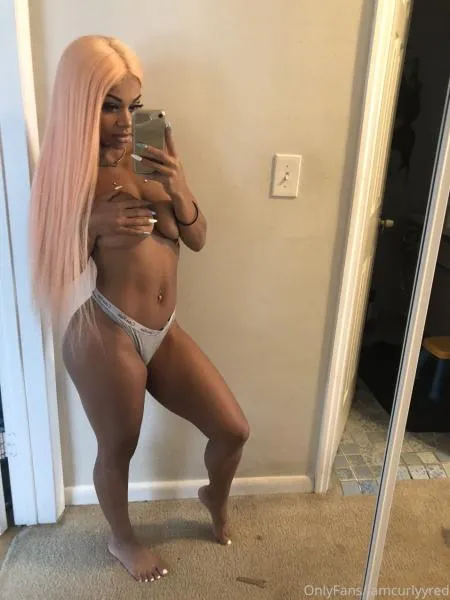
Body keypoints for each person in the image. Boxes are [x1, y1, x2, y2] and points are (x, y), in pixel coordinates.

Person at [29, 35, 250, 584]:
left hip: (163, 330)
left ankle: (213, 495)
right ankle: (121, 538)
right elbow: (52, 271)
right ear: (81, 105)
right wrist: (90, 225)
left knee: (232, 430)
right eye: (110, 106)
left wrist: (181, 187)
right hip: (106, 331)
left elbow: (196, 238)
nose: (126, 122)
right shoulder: (72, 177)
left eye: (133, 105)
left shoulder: (151, 163)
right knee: (119, 447)